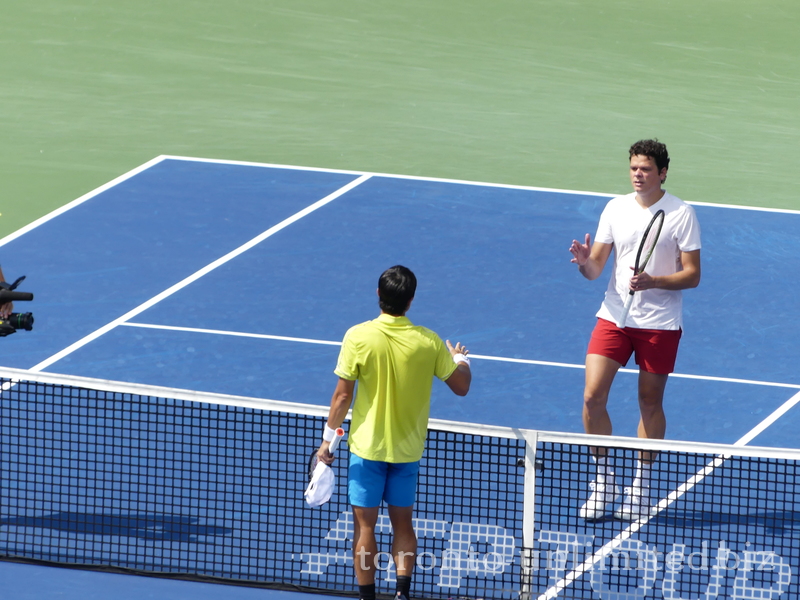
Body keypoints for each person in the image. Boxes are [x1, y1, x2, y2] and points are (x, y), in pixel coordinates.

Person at [315, 265, 472, 600]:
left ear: (378, 295)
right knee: (403, 524)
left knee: (365, 528)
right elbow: (461, 387)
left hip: (367, 450)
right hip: (407, 451)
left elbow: (343, 396)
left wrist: (327, 441)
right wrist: (460, 359)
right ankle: (401, 593)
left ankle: (367, 597)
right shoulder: (428, 342)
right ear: (410, 301)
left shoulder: (358, 336)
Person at [569, 139, 701, 520]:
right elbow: (596, 268)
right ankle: (605, 479)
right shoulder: (615, 208)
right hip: (614, 316)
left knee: (649, 402)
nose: (638, 175)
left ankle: (641, 485)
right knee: (593, 397)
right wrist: (583, 264)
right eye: (633, 169)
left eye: (645, 169)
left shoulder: (681, 214)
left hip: (658, 323)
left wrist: (653, 281)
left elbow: (693, 275)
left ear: (662, 172)